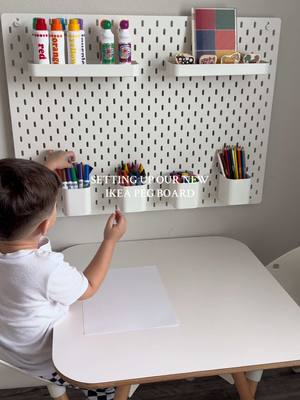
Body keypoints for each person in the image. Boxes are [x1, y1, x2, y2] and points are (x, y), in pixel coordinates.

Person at [0, 151, 127, 400]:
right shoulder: (44, 269)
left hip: (11, 351)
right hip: (46, 359)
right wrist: (110, 240)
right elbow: (88, 288)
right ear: (45, 225)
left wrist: (47, 169)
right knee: (111, 374)